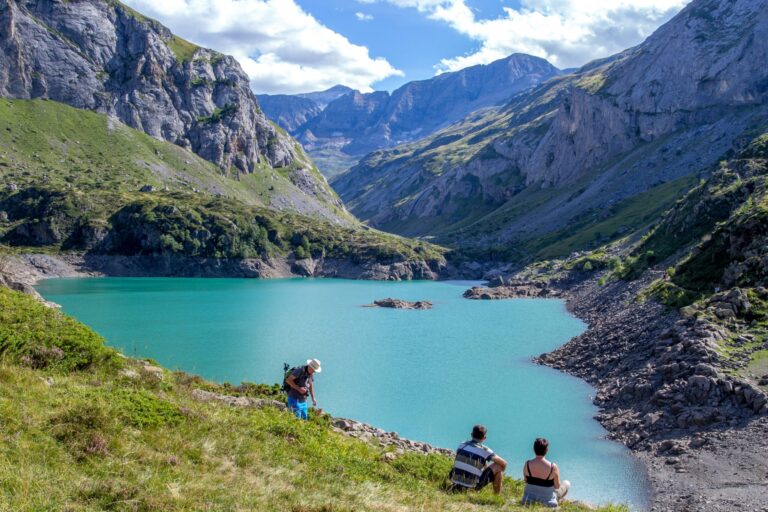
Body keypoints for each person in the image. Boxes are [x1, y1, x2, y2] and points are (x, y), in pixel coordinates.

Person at [449, 424, 508, 494]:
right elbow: (504, 463)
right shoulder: (485, 450)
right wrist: (497, 475)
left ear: (471, 434)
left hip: (454, 480)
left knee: (481, 461)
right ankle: (496, 496)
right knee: (499, 467)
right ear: (484, 438)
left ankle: (459, 485)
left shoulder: (462, 445)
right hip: (472, 486)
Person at [521, 438, 570, 508]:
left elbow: (525, 480)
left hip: (528, 500)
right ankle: (559, 500)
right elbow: (557, 486)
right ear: (546, 450)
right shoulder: (553, 466)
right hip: (548, 502)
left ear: (533, 449)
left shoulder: (527, 464)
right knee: (566, 483)